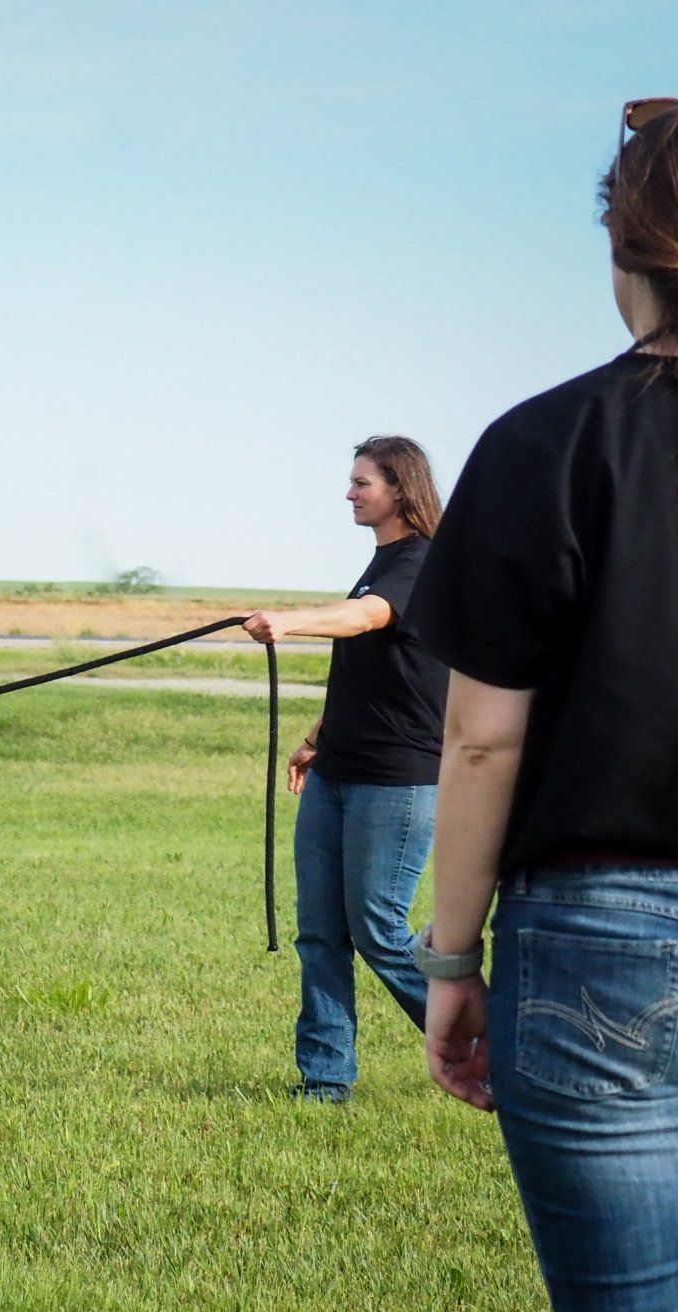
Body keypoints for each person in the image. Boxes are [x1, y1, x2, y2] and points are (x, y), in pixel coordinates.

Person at [407, 99, 678, 1312]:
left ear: (618, 239)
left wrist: (450, 959)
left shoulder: (540, 442)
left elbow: (481, 738)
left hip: (595, 942)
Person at [242, 436, 447, 1102]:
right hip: (337, 773)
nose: (349, 493)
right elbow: (374, 672)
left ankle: (491, 1049)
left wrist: (290, 622)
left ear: (400, 489)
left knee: (379, 930)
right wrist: (315, 739)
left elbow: (366, 619)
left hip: (398, 780)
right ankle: (325, 1079)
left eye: (363, 483)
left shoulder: (422, 561)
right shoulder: (382, 560)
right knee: (321, 932)